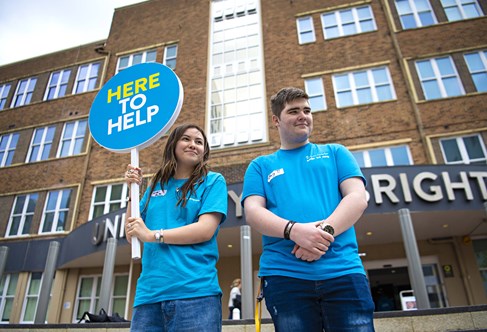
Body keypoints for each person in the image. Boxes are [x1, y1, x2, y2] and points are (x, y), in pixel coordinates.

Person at [241, 87, 375, 331]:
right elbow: (253, 212)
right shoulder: (260, 165)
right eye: (293, 111)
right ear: (276, 120)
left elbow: (357, 197)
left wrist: (321, 234)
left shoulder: (336, 152)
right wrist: (294, 231)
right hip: (285, 275)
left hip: (343, 271)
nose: (303, 115)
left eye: (307, 110)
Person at [124, 124, 228, 332]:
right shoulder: (156, 186)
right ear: (173, 144)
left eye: (199, 142)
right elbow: (132, 234)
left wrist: (153, 235)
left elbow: (205, 230)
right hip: (149, 297)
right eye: (186, 139)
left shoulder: (213, 181)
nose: (193, 145)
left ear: (205, 150)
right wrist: (131, 192)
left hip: (195, 295)